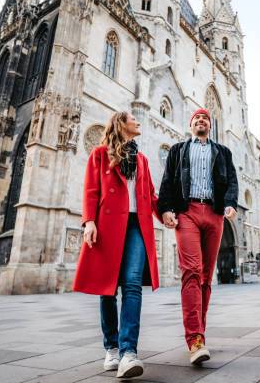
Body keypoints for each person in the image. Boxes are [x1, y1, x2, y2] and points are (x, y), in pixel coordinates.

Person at [73, 111, 161, 379]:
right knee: (107, 288)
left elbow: (150, 195)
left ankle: (128, 352)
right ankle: (111, 347)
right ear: (122, 124)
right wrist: (89, 221)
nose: (138, 122)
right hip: (108, 225)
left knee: (132, 284)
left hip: (137, 225)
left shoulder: (143, 160)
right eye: (134, 118)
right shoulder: (100, 154)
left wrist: (166, 213)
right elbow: (91, 189)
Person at [158, 108, 238, 365]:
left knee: (206, 276)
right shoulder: (178, 150)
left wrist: (230, 203)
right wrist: (166, 209)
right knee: (191, 271)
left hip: (214, 214)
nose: (201, 121)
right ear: (190, 124)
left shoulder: (223, 152)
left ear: (210, 126)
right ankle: (195, 339)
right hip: (188, 212)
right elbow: (168, 181)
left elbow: (232, 182)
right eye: (197, 118)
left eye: (205, 118)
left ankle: (199, 332)